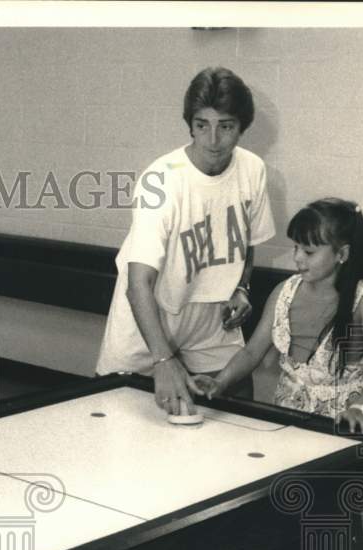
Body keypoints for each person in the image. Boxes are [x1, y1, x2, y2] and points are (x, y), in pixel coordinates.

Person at [190, 199, 363, 550]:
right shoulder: (285, 292)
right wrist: (219, 381)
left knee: (334, 529)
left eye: (309, 251)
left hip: (341, 430)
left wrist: (361, 405)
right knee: (275, 515)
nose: (298, 258)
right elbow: (252, 351)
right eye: (296, 248)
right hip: (289, 422)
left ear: (342, 254)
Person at [95, 66, 275, 413]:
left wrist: (242, 288)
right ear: (190, 125)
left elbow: (247, 240)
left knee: (239, 419)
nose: (213, 140)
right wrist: (163, 359)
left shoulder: (253, 170)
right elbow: (138, 283)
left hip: (209, 320)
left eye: (226, 126)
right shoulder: (161, 181)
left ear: (242, 127)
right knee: (117, 424)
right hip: (150, 318)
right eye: (202, 125)